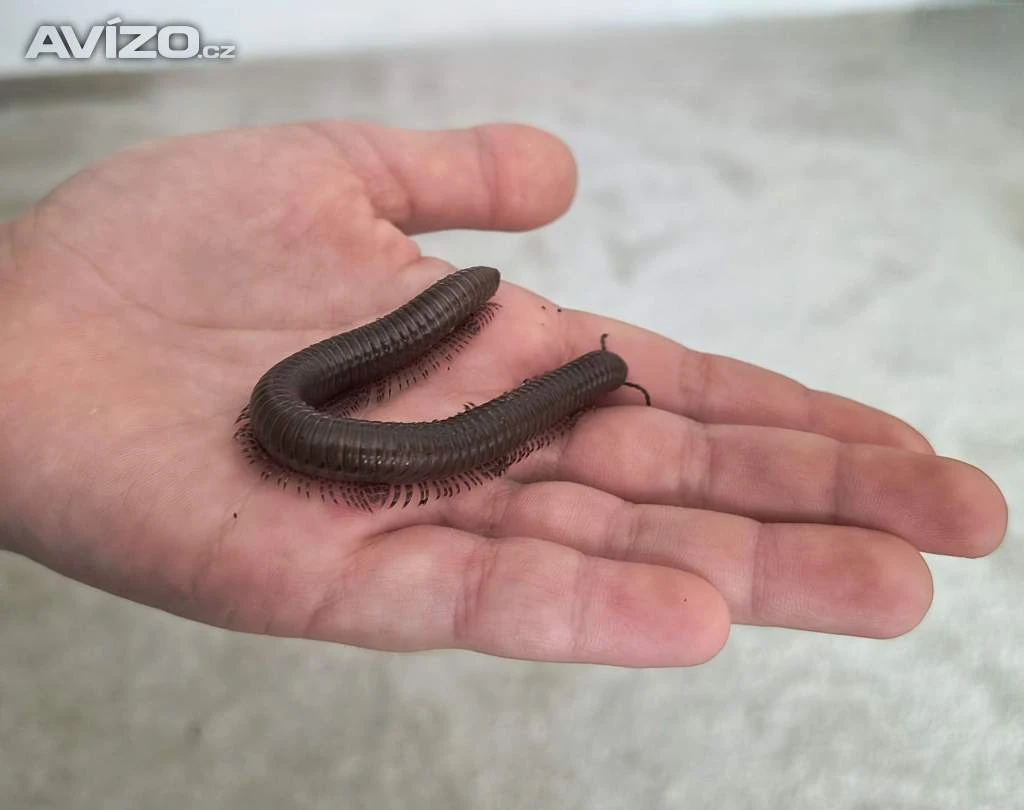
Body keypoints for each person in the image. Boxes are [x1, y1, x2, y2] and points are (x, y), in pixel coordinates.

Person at [0, 121, 1006, 667]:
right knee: (424, 434)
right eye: (465, 302)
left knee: (434, 436)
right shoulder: (288, 410)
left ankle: (582, 378)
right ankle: (582, 378)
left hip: (303, 415)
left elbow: (415, 417)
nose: (473, 297)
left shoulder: (304, 406)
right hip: (298, 415)